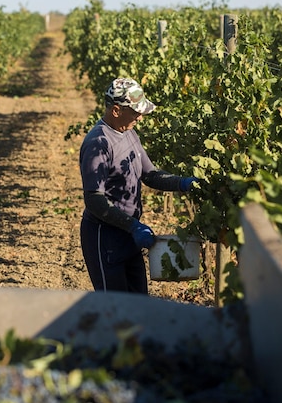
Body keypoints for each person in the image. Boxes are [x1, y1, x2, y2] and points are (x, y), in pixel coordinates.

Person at [79, 77, 198, 294]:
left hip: (129, 235)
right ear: (116, 110)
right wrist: (132, 226)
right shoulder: (98, 144)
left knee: (139, 302)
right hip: (105, 237)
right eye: (136, 112)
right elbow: (94, 199)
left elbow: (150, 175)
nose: (140, 117)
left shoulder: (129, 132)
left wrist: (183, 183)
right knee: (115, 308)